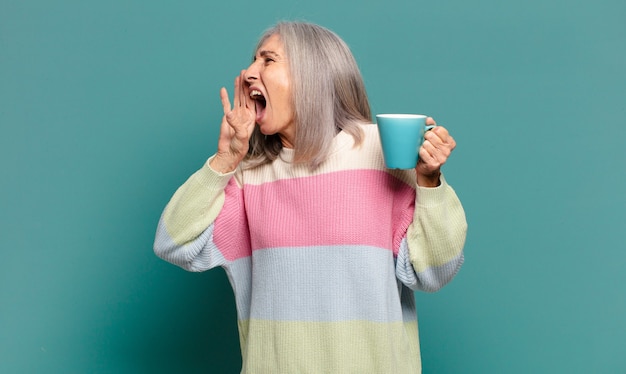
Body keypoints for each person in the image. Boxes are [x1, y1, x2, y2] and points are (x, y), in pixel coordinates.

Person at [154, 21, 467, 374]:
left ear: (312, 74)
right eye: (253, 60)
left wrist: (429, 181)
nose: (248, 73)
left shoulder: (383, 152)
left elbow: (435, 273)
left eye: (268, 60)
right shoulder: (248, 177)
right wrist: (225, 160)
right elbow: (173, 243)